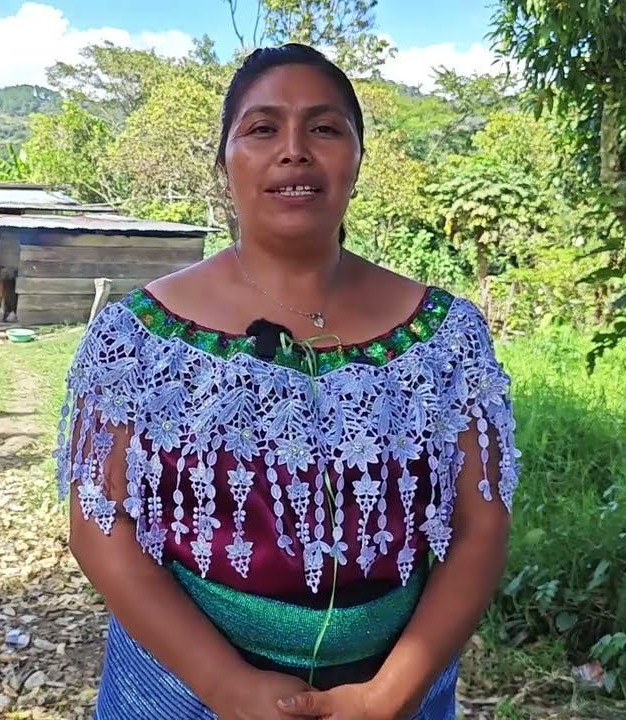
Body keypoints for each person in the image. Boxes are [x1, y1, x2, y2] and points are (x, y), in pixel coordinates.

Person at [56, 43, 519, 720]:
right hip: (182, 688)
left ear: (359, 159)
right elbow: (100, 523)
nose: (294, 150)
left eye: (325, 128)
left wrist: (389, 695)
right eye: (262, 128)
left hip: (393, 691)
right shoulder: (136, 336)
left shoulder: (447, 337)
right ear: (224, 164)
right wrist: (226, 686)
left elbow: (481, 524)